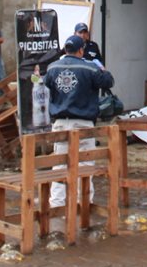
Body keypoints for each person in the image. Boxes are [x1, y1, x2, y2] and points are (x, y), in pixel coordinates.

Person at [45, 34, 114, 209]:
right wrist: (102, 68)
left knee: (59, 165)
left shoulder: (52, 68)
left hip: (60, 123)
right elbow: (108, 81)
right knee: (85, 165)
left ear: (65, 50)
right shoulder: (89, 68)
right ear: (81, 50)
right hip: (83, 124)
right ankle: (82, 204)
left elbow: (45, 84)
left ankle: (57, 205)